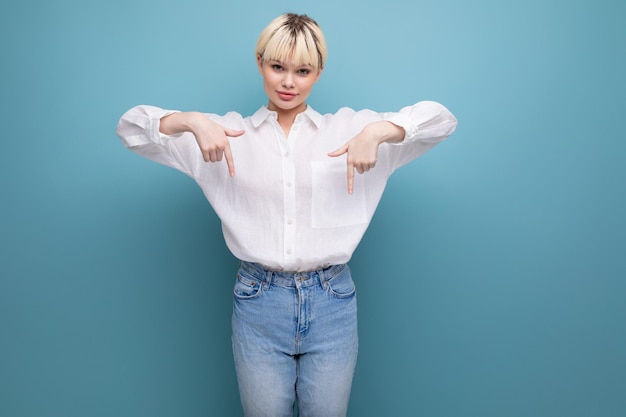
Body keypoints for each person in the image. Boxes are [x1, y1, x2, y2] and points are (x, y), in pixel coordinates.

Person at [116, 12, 457, 417]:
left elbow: (441, 120)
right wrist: (189, 122)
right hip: (259, 301)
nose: (289, 82)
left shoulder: (349, 129)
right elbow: (131, 128)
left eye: (303, 70)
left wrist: (378, 133)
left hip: (333, 301)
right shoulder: (225, 135)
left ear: (319, 72)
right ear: (260, 62)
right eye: (277, 67)